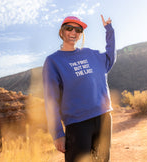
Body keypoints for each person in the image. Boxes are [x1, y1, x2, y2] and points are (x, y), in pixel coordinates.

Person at [43, 14, 116, 162]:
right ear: (62, 31)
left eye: (78, 30)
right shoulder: (53, 61)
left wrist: (109, 30)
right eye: (69, 28)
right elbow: (51, 99)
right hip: (77, 124)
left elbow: (110, 58)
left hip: (104, 118)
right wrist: (57, 134)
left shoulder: (90, 54)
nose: (73, 32)